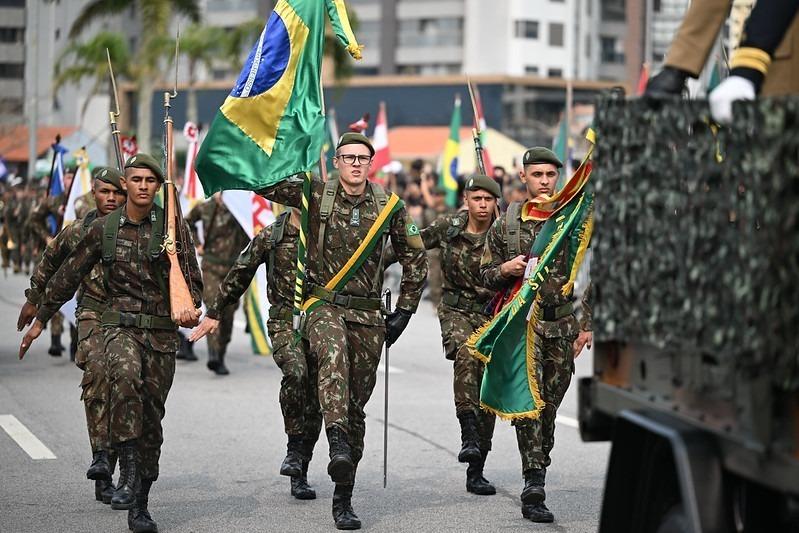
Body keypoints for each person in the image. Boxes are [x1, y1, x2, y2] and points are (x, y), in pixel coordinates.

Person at [19, 153, 203, 533]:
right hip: (118, 326)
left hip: (161, 334)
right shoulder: (104, 229)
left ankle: (141, 501)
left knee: (152, 417)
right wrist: (40, 319)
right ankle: (127, 469)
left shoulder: (171, 229)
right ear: (126, 186)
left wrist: (189, 302)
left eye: (150, 181)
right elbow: (68, 274)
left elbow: (193, 281)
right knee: (123, 378)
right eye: (135, 180)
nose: (142, 186)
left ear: (157, 187)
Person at [259, 133, 427, 530]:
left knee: (355, 408)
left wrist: (405, 310)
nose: (355, 164)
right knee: (331, 359)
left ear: (371, 164)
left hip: (368, 316)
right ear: (336, 161)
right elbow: (264, 182)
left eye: (362, 158)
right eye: (348, 157)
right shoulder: (314, 193)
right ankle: (333, 439)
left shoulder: (389, 206)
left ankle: (343, 497)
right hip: (321, 305)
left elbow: (415, 258)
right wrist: (284, 142)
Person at [480, 147, 592, 523]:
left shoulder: (570, 217)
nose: (545, 182)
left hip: (561, 326)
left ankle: (538, 463)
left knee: (550, 408)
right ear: (523, 177)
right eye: (538, 175)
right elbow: (484, 274)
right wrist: (506, 269)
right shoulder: (506, 223)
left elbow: (598, 270)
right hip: (522, 329)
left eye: (551, 175)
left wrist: (587, 323)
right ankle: (534, 483)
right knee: (532, 404)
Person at [191, 207, 323, 500]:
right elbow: (242, 269)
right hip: (285, 319)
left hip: (323, 320)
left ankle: (300, 466)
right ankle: (293, 449)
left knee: (316, 398)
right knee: (296, 372)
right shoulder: (273, 234)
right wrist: (215, 310)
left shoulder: (327, 228)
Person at [18, 166, 126, 504]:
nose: (111, 199)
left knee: (125, 389)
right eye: (104, 192)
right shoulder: (78, 231)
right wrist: (35, 302)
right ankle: (101, 459)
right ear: (93, 194)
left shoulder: (137, 231)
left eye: (116, 193)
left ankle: (119, 463)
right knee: (97, 379)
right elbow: (50, 265)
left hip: (130, 318)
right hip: (92, 312)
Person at [413, 174, 501, 495]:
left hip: (493, 314)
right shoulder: (448, 227)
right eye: (476, 198)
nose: (481, 205)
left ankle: (477, 467)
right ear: (466, 200)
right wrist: (374, 262)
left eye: (487, 199)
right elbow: (413, 243)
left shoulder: (504, 235)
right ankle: (468, 434)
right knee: (467, 354)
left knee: (487, 385)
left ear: (495, 203)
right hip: (455, 311)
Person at [185, 193, 250, 375]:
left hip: (233, 269)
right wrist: (196, 243)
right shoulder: (205, 208)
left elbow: (251, 230)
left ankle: (220, 352)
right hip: (211, 267)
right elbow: (187, 223)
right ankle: (213, 355)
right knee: (214, 307)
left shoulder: (239, 209)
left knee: (228, 313)